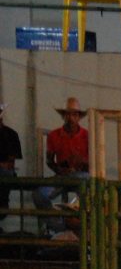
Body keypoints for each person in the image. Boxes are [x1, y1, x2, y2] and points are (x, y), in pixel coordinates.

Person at [38, 97, 90, 233]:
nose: (71, 118)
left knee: (88, 187)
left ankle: (67, 225)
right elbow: (50, 161)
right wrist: (60, 170)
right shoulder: (54, 135)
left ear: (78, 117)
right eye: (68, 114)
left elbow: (93, 164)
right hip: (64, 176)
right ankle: (62, 226)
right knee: (39, 195)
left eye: (74, 114)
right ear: (64, 116)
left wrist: (82, 162)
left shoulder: (88, 136)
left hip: (80, 176)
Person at [0, 102, 22, 221]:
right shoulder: (11, 134)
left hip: (4, 173)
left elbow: (9, 164)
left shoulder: (11, 135)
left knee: (5, 173)